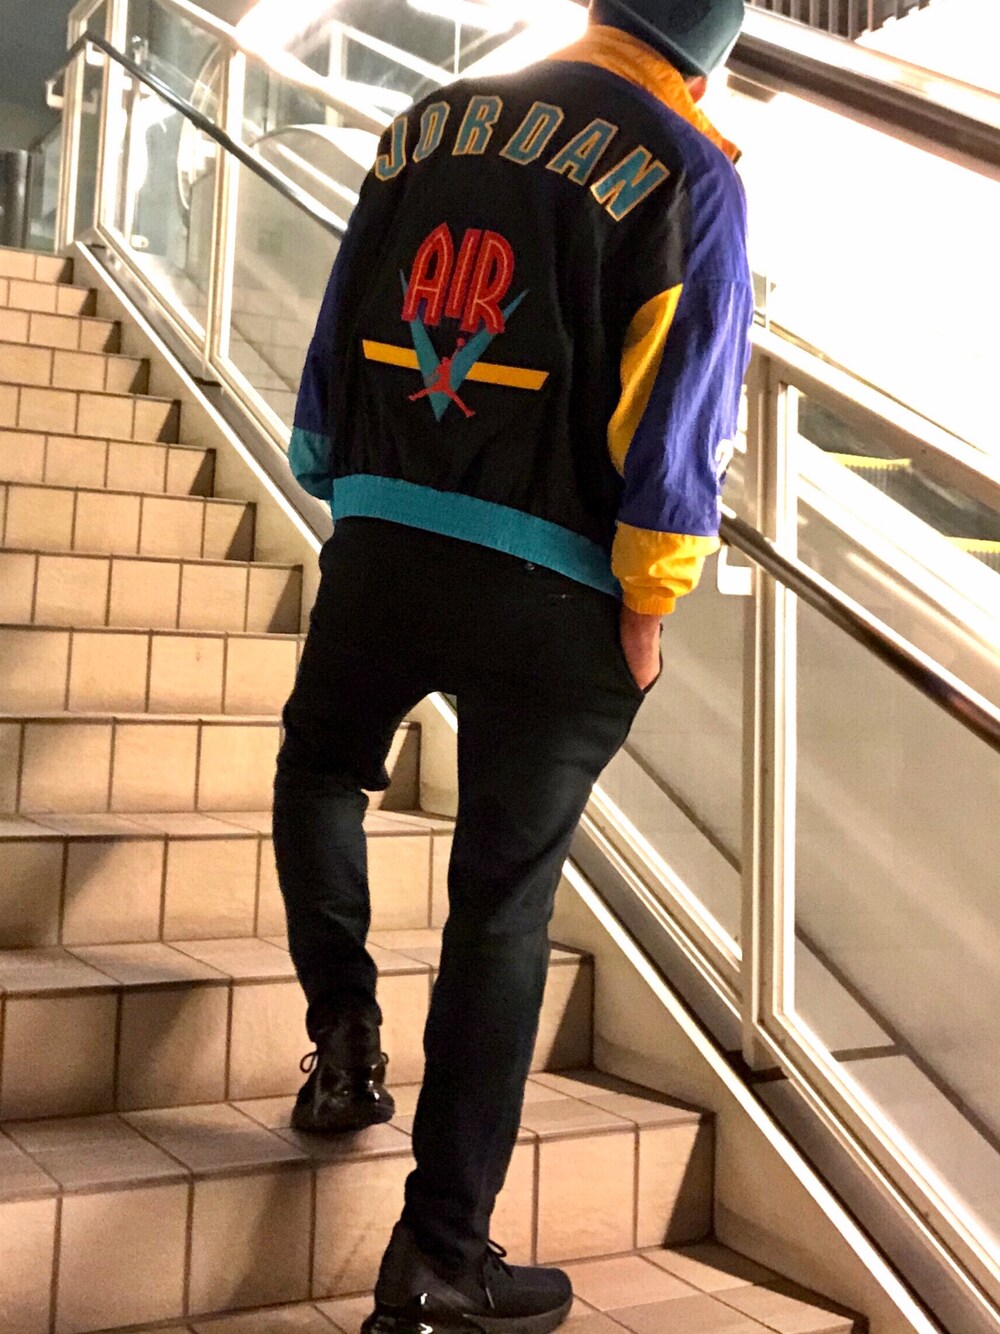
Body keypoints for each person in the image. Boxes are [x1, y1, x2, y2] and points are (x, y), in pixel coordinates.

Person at [274, 0, 751, 1329]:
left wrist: (345, 483)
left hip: (386, 533)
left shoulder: (427, 122)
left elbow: (339, 329)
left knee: (321, 770)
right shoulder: (692, 172)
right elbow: (683, 406)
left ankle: (344, 1041)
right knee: (501, 906)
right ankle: (438, 1255)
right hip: (559, 583)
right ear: (712, 46)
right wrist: (650, 602)